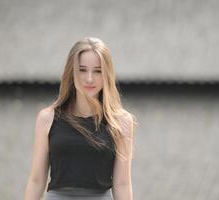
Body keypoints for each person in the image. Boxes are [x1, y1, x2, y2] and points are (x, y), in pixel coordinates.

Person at [24, 37, 136, 200]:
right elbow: (36, 180)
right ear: (71, 72)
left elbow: (122, 184)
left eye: (98, 71)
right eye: (82, 70)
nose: (89, 78)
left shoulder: (122, 122)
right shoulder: (47, 118)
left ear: (107, 74)